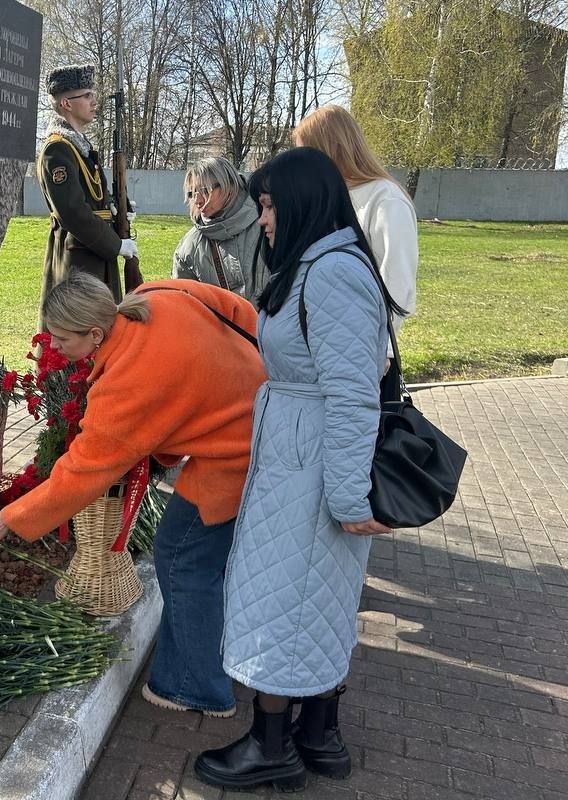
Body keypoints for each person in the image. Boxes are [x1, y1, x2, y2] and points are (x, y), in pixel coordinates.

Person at [0, 273, 267, 719]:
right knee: (198, 558)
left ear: (94, 333)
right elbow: (242, 313)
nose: (55, 348)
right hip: (265, 409)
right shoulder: (154, 295)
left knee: (183, 557)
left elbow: (81, 471)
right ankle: (208, 660)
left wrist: (9, 518)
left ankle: (196, 686)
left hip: (237, 451)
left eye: (63, 339)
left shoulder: (127, 382)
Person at [196, 147, 401, 794]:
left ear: (304, 202)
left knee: (286, 604)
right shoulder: (321, 264)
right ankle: (319, 735)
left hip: (313, 470)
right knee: (313, 602)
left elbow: (351, 394)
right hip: (303, 462)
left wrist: (346, 496)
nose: (261, 219)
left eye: (268, 205)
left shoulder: (334, 273)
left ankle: (273, 745)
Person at [291, 104, 417, 336]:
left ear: (332, 149)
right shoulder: (331, 196)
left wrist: (383, 346)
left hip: (364, 339)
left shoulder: (385, 198)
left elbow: (398, 278)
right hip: (326, 331)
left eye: (308, 154)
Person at [36, 64, 139, 327]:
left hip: (94, 252)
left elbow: (93, 200)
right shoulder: (57, 150)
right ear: (67, 104)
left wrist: (117, 209)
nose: (94, 101)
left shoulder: (78, 147)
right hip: (78, 258)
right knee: (77, 328)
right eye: (87, 96)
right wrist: (115, 245)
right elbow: (73, 212)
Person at [172, 155, 266, 302]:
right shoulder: (188, 247)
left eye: (204, 191)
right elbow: (183, 305)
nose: (197, 201)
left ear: (228, 185)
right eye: (192, 193)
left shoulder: (269, 224)